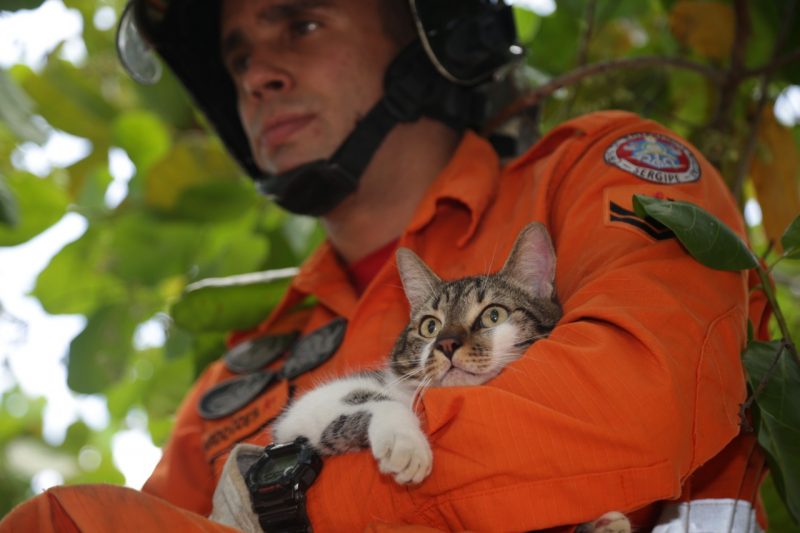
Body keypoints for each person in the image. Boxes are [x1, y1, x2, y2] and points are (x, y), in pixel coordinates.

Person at [1, 0, 770, 531]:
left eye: (300, 23)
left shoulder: (590, 176)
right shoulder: (225, 388)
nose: (256, 75)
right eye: (237, 58)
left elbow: (639, 398)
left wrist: (292, 503)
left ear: (432, 33)